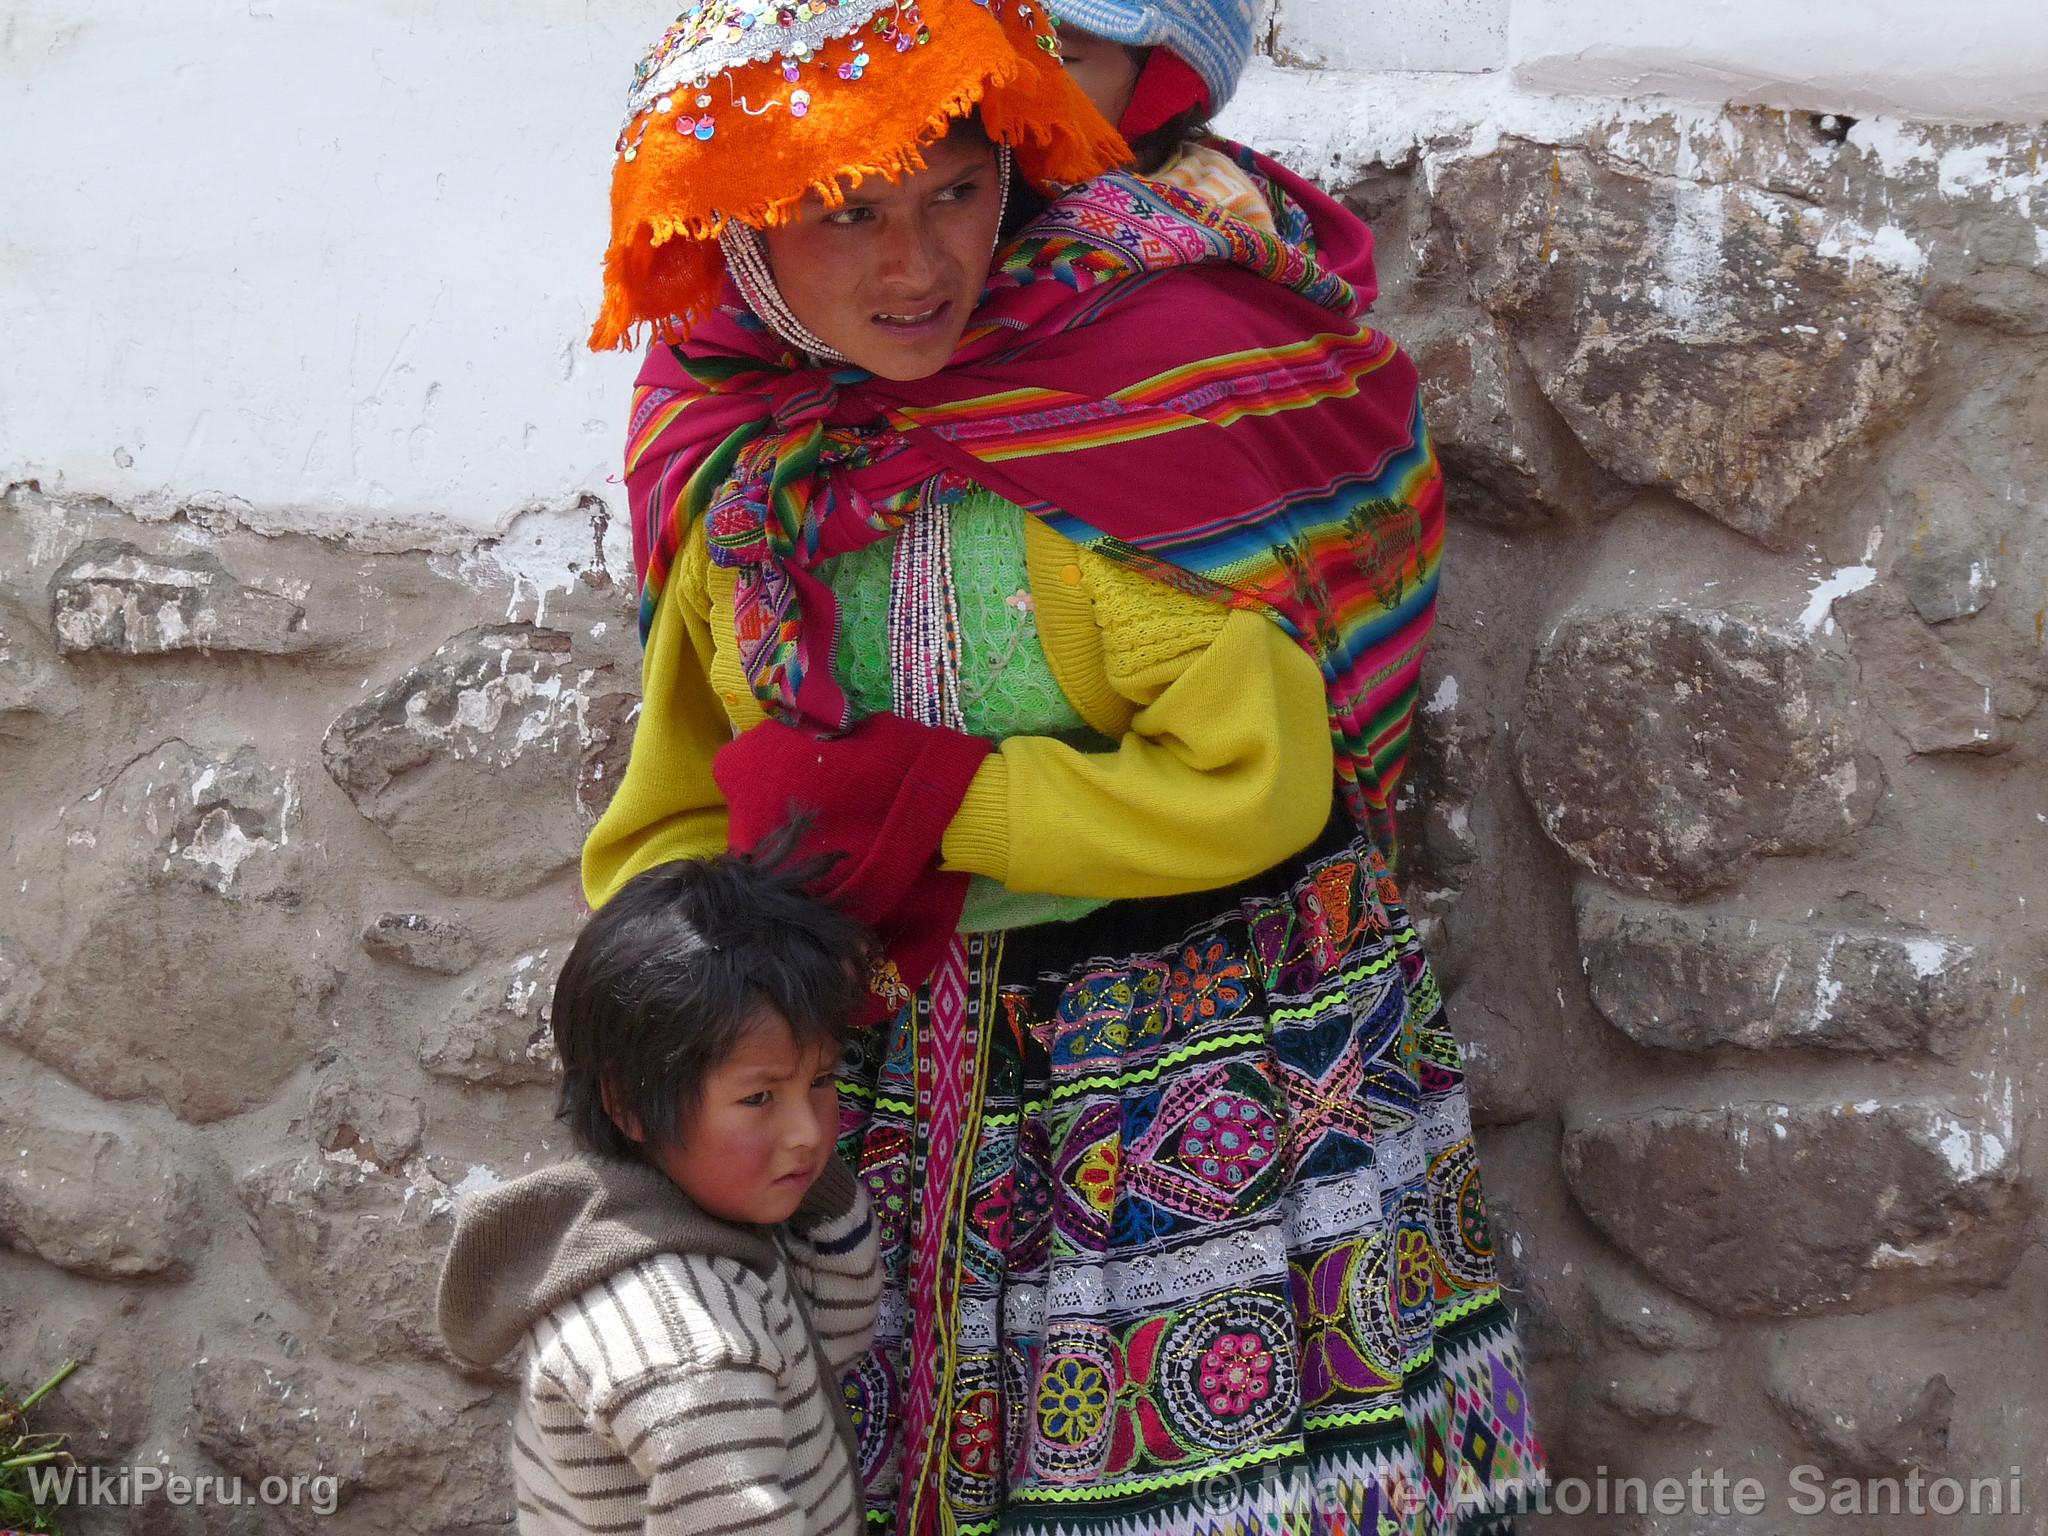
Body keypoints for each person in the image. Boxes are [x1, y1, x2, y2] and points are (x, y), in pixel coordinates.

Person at [582, 0, 1547, 1531]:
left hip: (1189, 1054)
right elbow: (682, 793)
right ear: (741, 238)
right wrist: (670, 1026)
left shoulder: (1125, 396)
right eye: (846, 216)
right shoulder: (734, 444)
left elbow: (1265, 775)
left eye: (957, 192)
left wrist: (946, 809)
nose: (918, 266)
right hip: (869, 1073)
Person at [436, 837, 884, 1536]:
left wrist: (818, 1191)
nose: (806, 1130)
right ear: (631, 1106)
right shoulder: (686, 1348)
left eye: (821, 1082)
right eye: (761, 1098)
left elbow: (831, 1346)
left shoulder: (703, 1223)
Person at [1053, 0, 1282, 235]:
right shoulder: (1021, 176)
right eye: (1015, 40)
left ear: (1165, 87)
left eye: (1060, 55)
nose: (1021, 69)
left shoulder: (1217, 227)